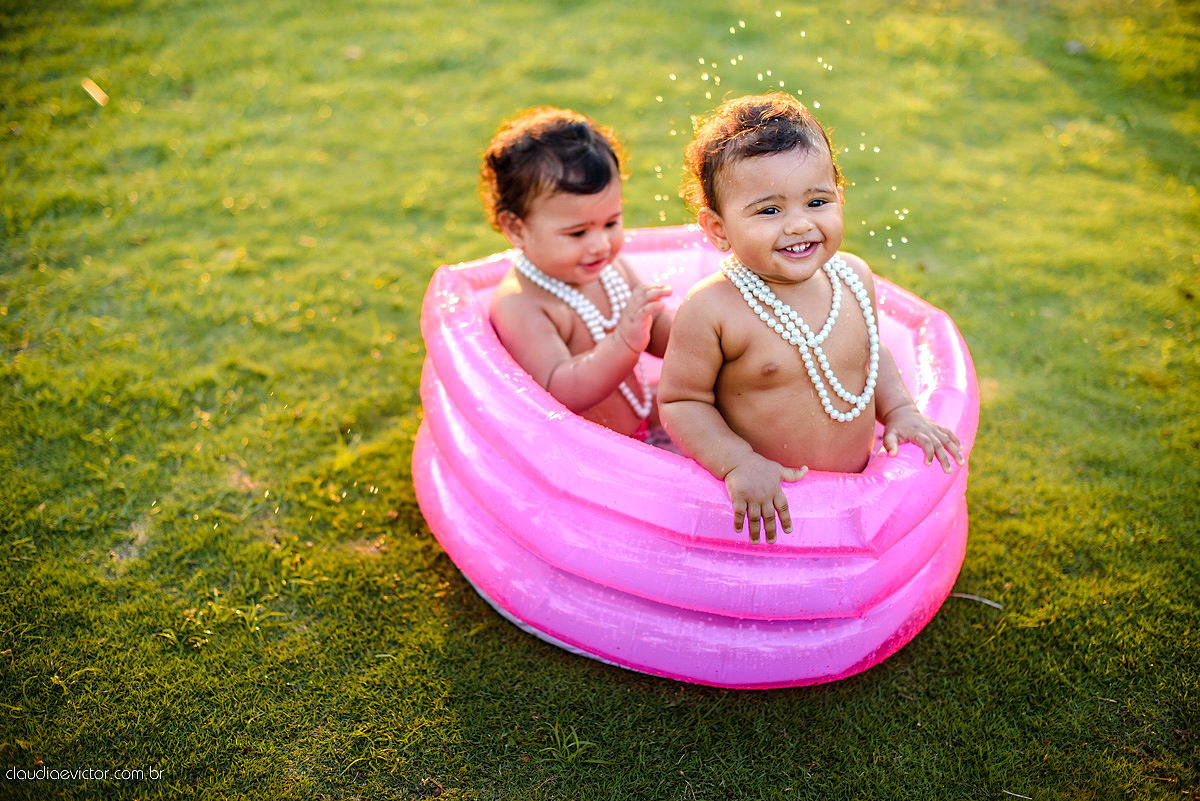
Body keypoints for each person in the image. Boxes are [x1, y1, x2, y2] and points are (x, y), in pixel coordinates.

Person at [658, 93, 963, 543]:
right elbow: (681, 402)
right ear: (718, 229)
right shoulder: (714, 309)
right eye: (769, 210)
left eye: (816, 202)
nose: (799, 225)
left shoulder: (853, 278)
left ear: (840, 197)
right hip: (766, 496)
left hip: (854, 494)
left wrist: (901, 410)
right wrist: (738, 461)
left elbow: (868, 355)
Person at [482, 107, 672, 440]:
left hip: (639, 426)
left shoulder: (610, 270)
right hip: (584, 456)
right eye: (578, 233)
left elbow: (656, 331)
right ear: (516, 228)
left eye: (611, 223)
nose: (600, 244)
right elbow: (560, 391)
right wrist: (625, 341)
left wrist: (701, 328)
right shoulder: (523, 304)